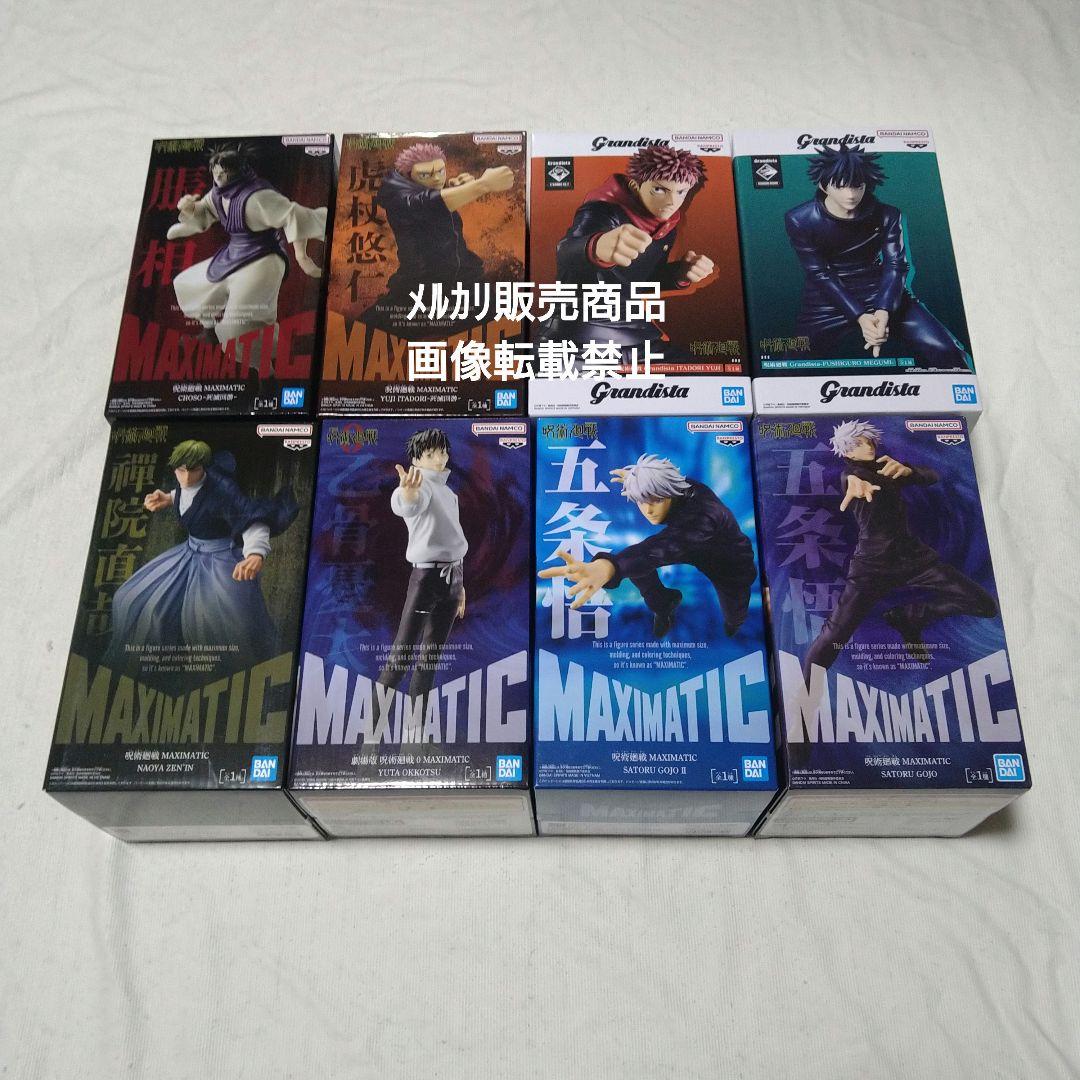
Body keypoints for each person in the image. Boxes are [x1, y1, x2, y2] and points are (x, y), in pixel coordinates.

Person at [802, 420, 998, 677]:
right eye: (859, 443)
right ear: (847, 451)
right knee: (835, 634)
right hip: (872, 566)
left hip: (913, 559)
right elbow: (850, 478)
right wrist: (853, 481)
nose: (868, 446)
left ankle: (911, 616)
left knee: (984, 604)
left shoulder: (887, 468)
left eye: (869, 441)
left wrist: (909, 471)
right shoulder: (853, 475)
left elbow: (933, 476)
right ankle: (804, 694)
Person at [107, 439, 299, 670]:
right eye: (181, 471)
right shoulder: (184, 481)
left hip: (220, 561)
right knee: (130, 598)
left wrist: (255, 554)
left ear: (203, 467)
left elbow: (249, 518)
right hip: (189, 554)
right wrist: (169, 498)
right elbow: (188, 495)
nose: (187, 477)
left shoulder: (223, 489)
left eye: (194, 470)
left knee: (217, 627)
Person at [784, 146, 970, 368]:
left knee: (949, 352)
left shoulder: (888, 215)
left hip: (880, 290)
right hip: (828, 299)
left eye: (857, 185)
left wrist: (884, 309)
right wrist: (861, 316)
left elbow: (896, 265)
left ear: (867, 184)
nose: (851, 194)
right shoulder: (800, 219)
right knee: (790, 366)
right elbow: (819, 273)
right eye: (840, 186)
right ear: (823, 186)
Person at [540, 453, 757, 639]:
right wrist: (638, 479)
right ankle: (664, 603)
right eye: (642, 501)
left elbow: (659, 549)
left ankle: (734, 625)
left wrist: (610, 567)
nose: (648, 510)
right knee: (638, 565)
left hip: (729, 562)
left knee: (734, 615)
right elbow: (663, 488)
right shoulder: (676, 486)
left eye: (657, 500)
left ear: (670, 493)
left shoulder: (704, 516)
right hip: (686, 541)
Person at [538, 145, 715, 366]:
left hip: (637, 338)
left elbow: (638, 281)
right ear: (634, 186)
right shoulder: (601, 211)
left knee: (699, 371)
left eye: (681, 192)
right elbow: (565, 252)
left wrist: (680, 274)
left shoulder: (666, 227)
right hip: (577, 339)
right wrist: (595, 246)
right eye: (659, 190)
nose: (671, 202)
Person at [169, 145, 326, 364]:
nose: (218, 177)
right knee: (187, 284)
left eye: (223, 173)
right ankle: (210, 332)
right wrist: (190, 209)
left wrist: (302, 256)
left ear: (237, 170)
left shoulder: (258, 197)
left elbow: (293, 215)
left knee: (239, 325)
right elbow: (204, 211)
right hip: (235, 253)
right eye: (215, 172)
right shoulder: (216, 193)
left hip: (265, 258)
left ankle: (269, 368)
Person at [362, 142, 515, 331]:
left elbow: (434, 199)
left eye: (441, 171)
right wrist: (482, 185)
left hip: (463, 282)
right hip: (419, 289)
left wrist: (452, 186)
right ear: (408, 177)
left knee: (509, 325)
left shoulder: (425, 189)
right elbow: (427, 203)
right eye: (425, 175)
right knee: (357, 333)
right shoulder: (399, 197)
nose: (436, 179)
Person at [377, 429, 468, 699]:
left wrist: (460, 586)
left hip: (453, 577)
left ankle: (415, 728)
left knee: (429, 662)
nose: (439, 459)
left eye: (442, 452)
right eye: (430, 454)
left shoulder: (449, 493)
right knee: (400, 658)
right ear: (416, 460)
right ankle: (371, 728)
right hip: (427, 578)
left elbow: (453, 542)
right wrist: (407, 495)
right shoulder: (421, 486)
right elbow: (408, 504)